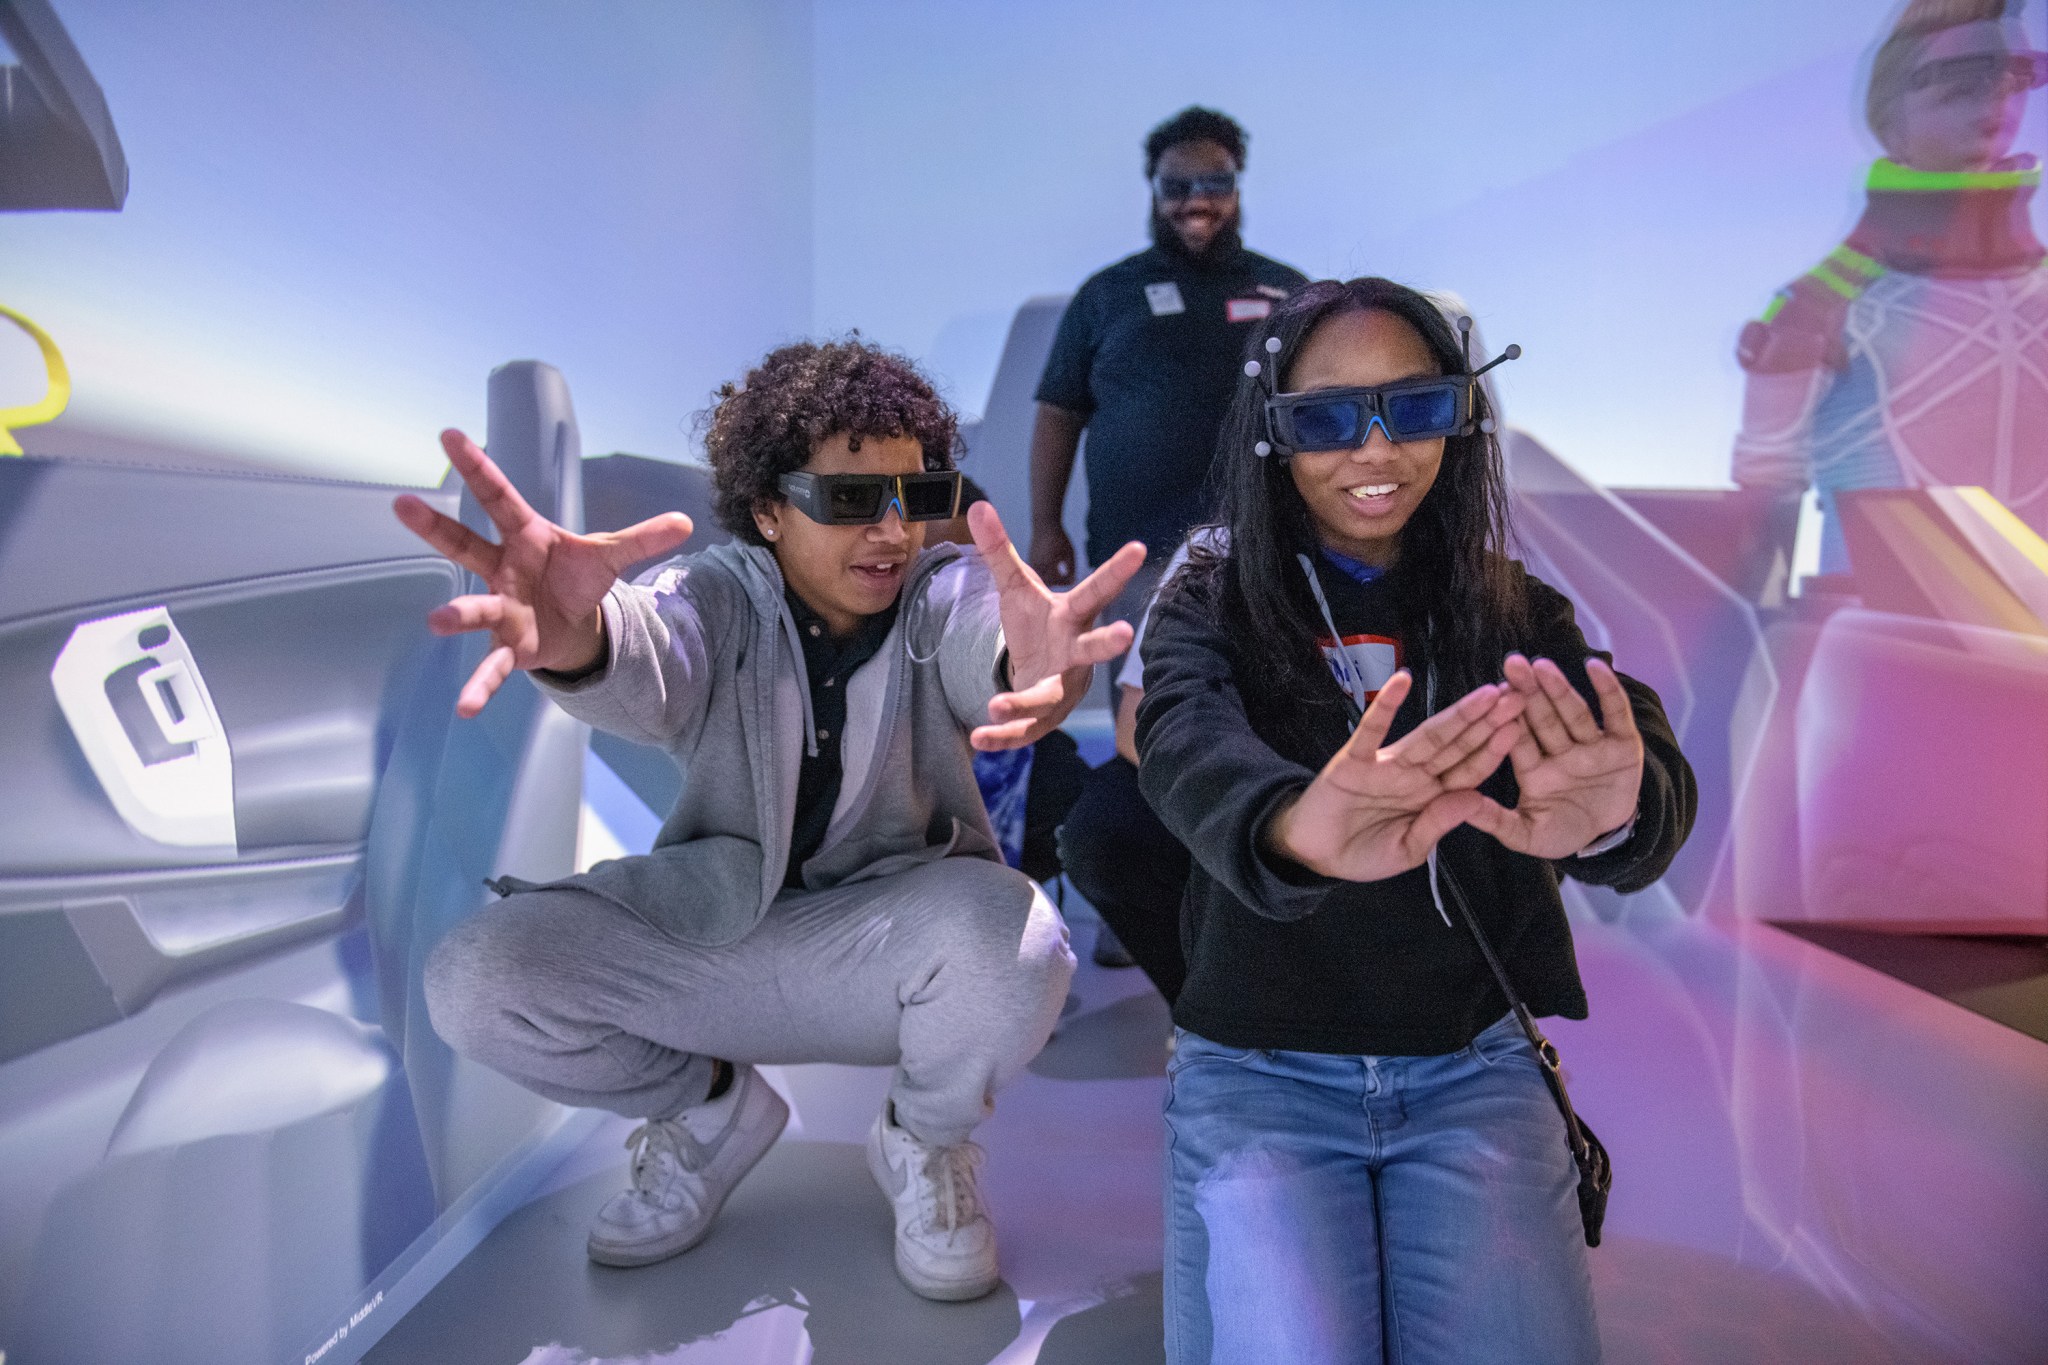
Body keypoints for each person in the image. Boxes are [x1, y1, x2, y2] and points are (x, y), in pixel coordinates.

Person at [400, 339, 1143, 1302]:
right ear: (764, 511)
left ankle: (922, 1140)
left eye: (914, 498)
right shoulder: (720, 593)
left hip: (885, 943)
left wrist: (1043, 664)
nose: (889, 530)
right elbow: (655, 653)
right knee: (474, 977)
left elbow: (989, 641)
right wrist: (577, 635)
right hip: (716, 937)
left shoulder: (940, 591)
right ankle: (711, 1114)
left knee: (1017, 942)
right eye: (845, 500)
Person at [1135, 278, 1696, 1363]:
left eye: (1417, 408)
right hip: (1257, 1072)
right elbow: (1177, 737)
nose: (1375, 451)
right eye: (1327, 420)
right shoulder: (1211, 591)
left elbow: (1620, 739)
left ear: (1461, 415)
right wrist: (1293, 825)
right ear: (1272, 436)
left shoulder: (1513, 605)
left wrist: (1620, 815)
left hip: (1470, 1067)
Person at [1732, 0, 2048, 577]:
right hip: (1883, 636)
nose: (1998, 101)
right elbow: (1765, 487)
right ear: (1893, 115)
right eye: (1961, 84)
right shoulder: (1817, 306)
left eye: (2019, 76)